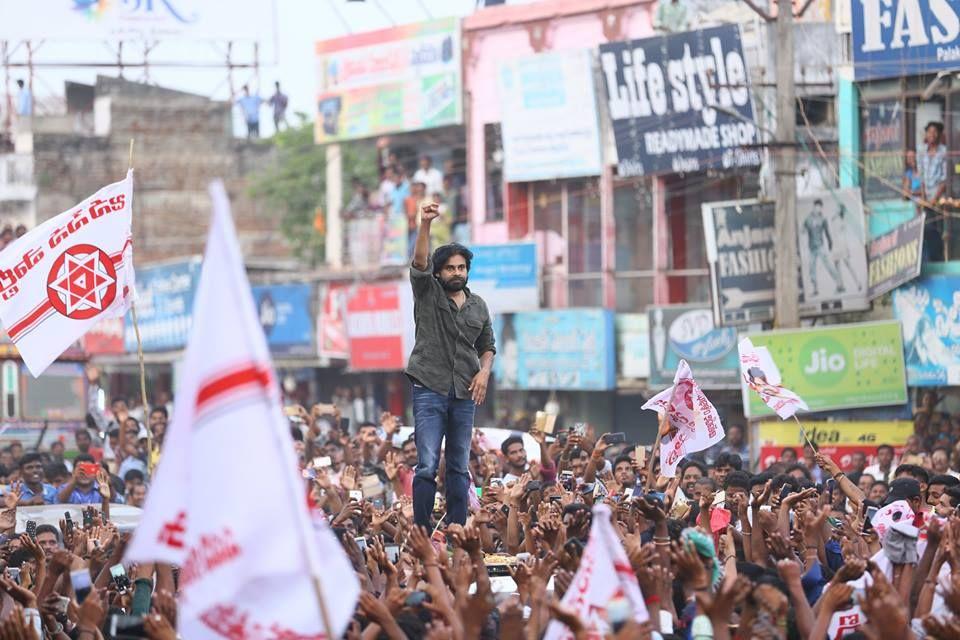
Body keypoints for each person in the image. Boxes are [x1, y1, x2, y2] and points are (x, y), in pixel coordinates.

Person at [405, 200, 495, 528]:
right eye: (450, 268)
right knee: (427, 464)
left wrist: (484, 372)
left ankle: (457, 531)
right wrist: (425, 223)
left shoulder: (478, 306)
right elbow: (418, 262)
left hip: (465, 393)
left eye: (461, 268)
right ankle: (422, 531)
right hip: (429, 387)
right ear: (440, 272)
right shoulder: (427, 292)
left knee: (458, 466)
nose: (457, 273)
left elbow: (488, 346)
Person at [802, 198, 845, 297]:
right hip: (811, 247)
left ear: (821, 208)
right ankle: (815, 289)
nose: (818, 209)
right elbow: (803, 229)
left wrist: (830, 244)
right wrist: (804, 230)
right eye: (817, 207)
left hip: (820, 246)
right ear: (814, 207)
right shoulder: (808, 218)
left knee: (828, 266)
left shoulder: (823, 219)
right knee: (811, 268)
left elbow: (827, 232)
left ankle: (839, 284)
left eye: (820, 207)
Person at [919, 120, 947, 262]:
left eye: (935, 132)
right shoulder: (922, 151)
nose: (932, 134)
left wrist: (934, 200)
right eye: (929, 132)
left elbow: (944, 180)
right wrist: (924, 199)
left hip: (938, 198)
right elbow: (922, 177)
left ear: (939, 134)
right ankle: (932, 260)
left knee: (940, 232)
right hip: (926, 200)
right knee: (928, 232)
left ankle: (941, 261)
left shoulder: (944, 152)